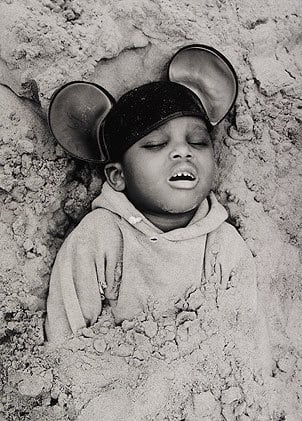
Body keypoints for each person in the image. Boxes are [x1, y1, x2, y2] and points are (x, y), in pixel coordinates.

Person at [45, 81, 261, 347]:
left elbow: (250, 345)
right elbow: (63, 338)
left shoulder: (224, 245)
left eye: (198, 141)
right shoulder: (100, 236)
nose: (184, 151)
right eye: (156, 144)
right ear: (118, 175)